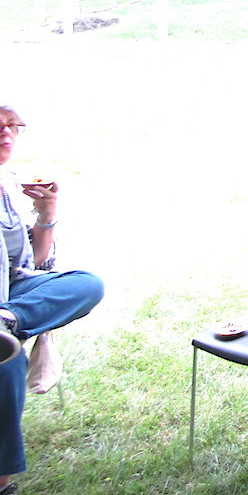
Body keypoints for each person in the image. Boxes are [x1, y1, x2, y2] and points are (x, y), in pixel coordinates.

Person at [0, 105, 104, 494]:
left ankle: (6, 320)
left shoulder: (8, 180)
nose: (7, 132)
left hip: (12, 291)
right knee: (4, 361)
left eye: (12, 126)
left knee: (87, 283)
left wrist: (46, 212)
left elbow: (36, 263)